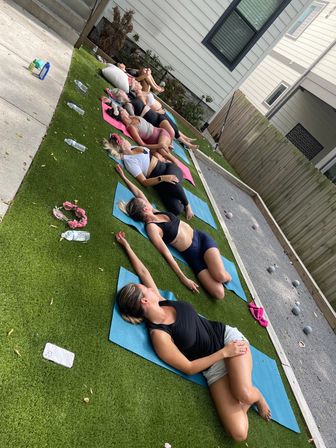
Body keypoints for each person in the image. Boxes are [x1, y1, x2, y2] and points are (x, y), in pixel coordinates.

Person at [115, 231, 271, 442]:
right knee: (238, 433)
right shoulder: (159, 336)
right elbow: (188, 367)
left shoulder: (161, 300)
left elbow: (143, 271)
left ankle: (257, 396)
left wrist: (127, 246)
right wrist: (224, 354)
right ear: (144, 301)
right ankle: (242, 388)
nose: (149, 287)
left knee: (244, 394)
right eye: (145, 289)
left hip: (226, 338)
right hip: (214, 366)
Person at [115, 165, 231, 299]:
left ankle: (224, 274)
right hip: (193, 256)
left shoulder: (153, 211)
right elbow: (166, 253)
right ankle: (214, 267)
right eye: (145, 202)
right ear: (145, 209)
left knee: (221, 276)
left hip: (201, 239)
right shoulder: (153, 228)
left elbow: (138, 193)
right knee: (219, 294)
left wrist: (123, 176)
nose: (146, 200)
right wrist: (183, 278)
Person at [103, 134, 194, 219]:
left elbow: (151, 150)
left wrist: (163, 154)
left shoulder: (134, 147)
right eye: (122, 141)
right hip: (160, 183)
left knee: (174, 182)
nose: (125, 140)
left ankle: (187, 205)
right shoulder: (129, 161)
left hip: (168, 168)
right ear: (120, 147)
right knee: (176, 209)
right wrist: (162, 178)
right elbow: (144, 182)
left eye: (122, 139)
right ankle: (177, 191)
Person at [103, 88, 198, 149]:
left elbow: (143, 93)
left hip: (158, 115)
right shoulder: (128, 105)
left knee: (174, 128)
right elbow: (134, 118)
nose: (123, 92)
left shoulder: (132, 98)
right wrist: (110, 101)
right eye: (121, 93)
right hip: (154, 121)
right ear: (120, 97)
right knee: (172, 132)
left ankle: (185, 140)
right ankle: (182, 144)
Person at [106, 107, 174, 160]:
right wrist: (159, 145)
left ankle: (174, 160)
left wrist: (160, 145)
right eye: (122, 110)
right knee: (159, 152)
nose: (124, 109)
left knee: (161, 150)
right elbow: (142, 145)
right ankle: (171, 158)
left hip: (161, 133)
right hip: (156, 142)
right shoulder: (131, 127)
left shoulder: (132, 117)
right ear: (122, 115)